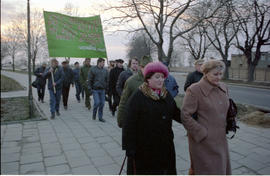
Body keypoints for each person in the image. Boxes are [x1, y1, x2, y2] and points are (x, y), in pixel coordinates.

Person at [123, 61, 181, 174]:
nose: (161, 80)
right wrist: (129, 147)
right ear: (148, 79)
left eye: (163, 77)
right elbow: (129, 123)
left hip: (165, 145)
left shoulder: (166, 94)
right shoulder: (138, 96)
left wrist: (193, 119)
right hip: (144, 148)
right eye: (157, 77)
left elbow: (176, 113)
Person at [181, 60, 231, 175]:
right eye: (215, 74)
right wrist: (201, 133)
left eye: (220, 74)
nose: (219, 77)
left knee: (221, 169)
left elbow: (225, 109)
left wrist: (231, 120)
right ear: (206, 73)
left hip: (221, 140)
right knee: (206, 170)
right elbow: (185, 115)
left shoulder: (224, 87)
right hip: (203, 142)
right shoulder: (194, 90)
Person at [117, 55, 152, 128]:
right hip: (135, 116)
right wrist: (121, 120)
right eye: (146, 68)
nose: (149, 71)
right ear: (141, 67)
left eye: (151, 68)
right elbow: (123, 101)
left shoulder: (154, 80)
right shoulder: (129, 79)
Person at [88, 58, 108, 122]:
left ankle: (100, 117)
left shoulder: (105, 70)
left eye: (104, 63)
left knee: (102, 104)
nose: (103, 64)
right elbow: (89, 79)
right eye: (103, 62)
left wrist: (107, 88)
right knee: (97, 103)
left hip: (102, 89)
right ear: (99, 62)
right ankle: (94, 114)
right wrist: (89, 88)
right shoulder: (93, 69)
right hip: (95, 89)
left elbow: (107, 80)